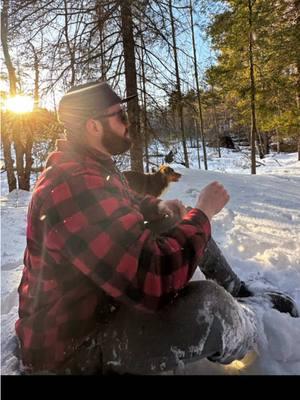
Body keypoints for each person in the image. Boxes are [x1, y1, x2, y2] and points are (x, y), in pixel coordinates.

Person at [15, 81, 298, 375]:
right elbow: (154, 278)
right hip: (71, 347)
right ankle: (254, 325)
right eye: (120, 115)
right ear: (93, 127)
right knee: (211, 311)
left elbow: (119, 202)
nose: (128, 122)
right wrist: (203, 214)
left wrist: (158, 208)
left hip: (100, 303)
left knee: (178, 220)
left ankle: (239, 291)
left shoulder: (90, 166)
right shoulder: (71, 184)